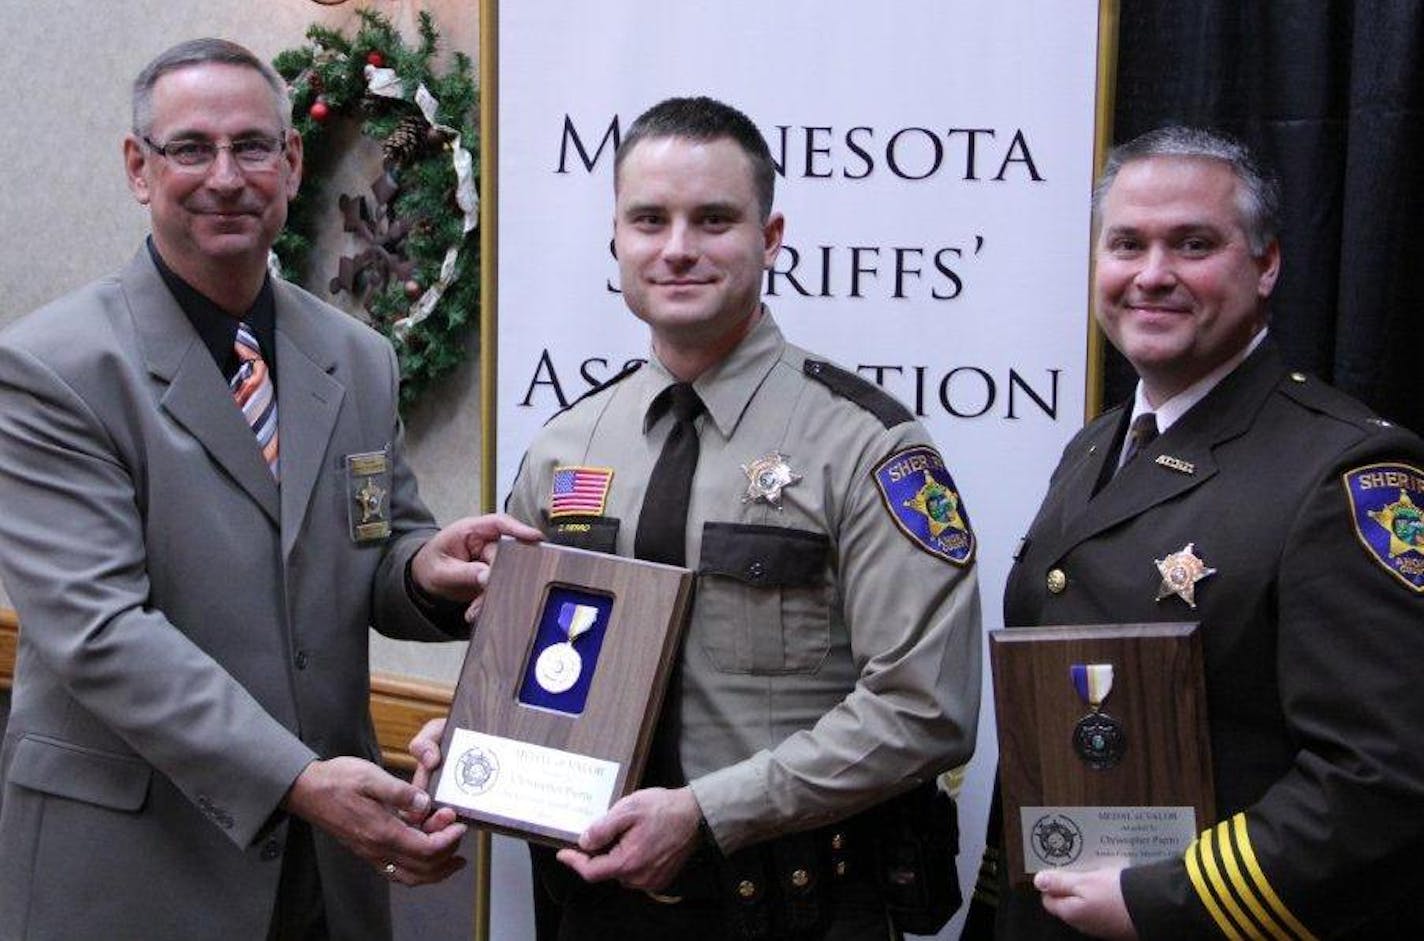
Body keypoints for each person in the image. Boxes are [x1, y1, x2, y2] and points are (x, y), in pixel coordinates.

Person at [0, 38, 540, 940]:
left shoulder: (357, 357)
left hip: (324, 870)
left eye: (253, 146)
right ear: (140, 169)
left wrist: (425, 571)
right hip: (135, 866)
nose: (226, 176)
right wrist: (297, 780)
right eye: (190, 149)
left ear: (292, 164)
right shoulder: (54, 369)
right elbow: (99, 632)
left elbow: (378, 541)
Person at [411, 96, 982, 940]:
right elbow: (532, 675)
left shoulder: (866, 444)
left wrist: (708, 812)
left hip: (794, 907)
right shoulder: (569, 444)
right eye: (649, 220)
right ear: (616, 241)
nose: (677, 248)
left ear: (771, 235)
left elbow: (926, 707)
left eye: (713, 219)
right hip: (595, 909)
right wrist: (463, 741)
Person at [966, 127, 1424, 939]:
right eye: (1127, 244)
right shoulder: (1095, 445)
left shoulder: (1345, 470)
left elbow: (1381, 776)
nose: (1152, 274)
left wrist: (1163, 898)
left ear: (1267, 263)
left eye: (1193, 244)